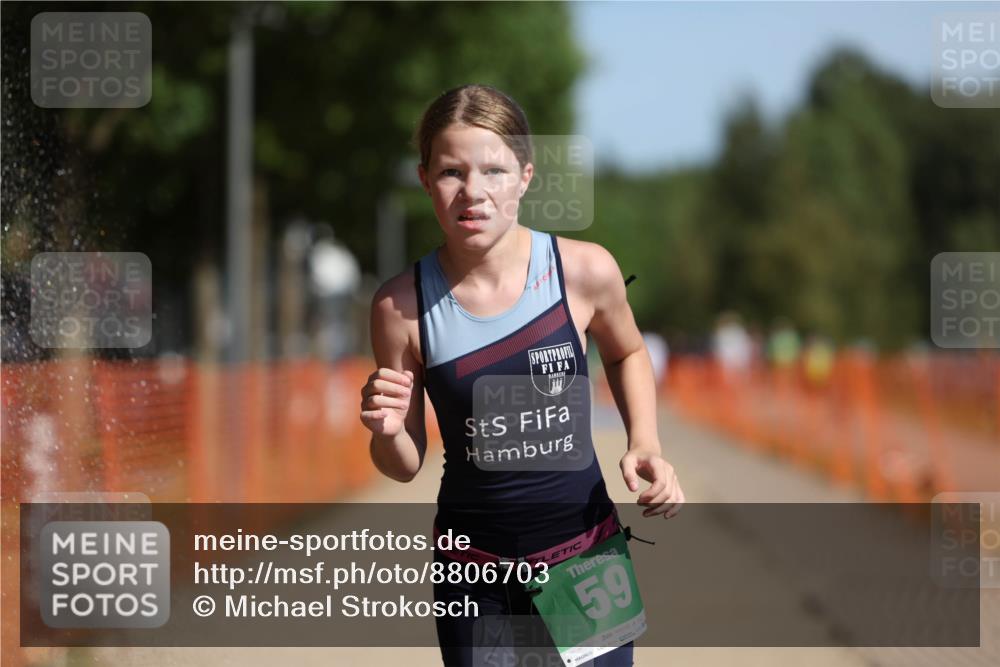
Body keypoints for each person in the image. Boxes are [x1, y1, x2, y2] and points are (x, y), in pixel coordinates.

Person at [360, 84, 684, 667]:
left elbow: (628, 353)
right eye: (451, 172)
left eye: (494, 170)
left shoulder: (584, 271)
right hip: (476, 575)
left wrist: (646, 442)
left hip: (587, 558)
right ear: (424, 180)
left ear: (526, 176)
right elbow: (404, 464)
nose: (474, 192)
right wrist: (385, 431)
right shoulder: (399, 307)